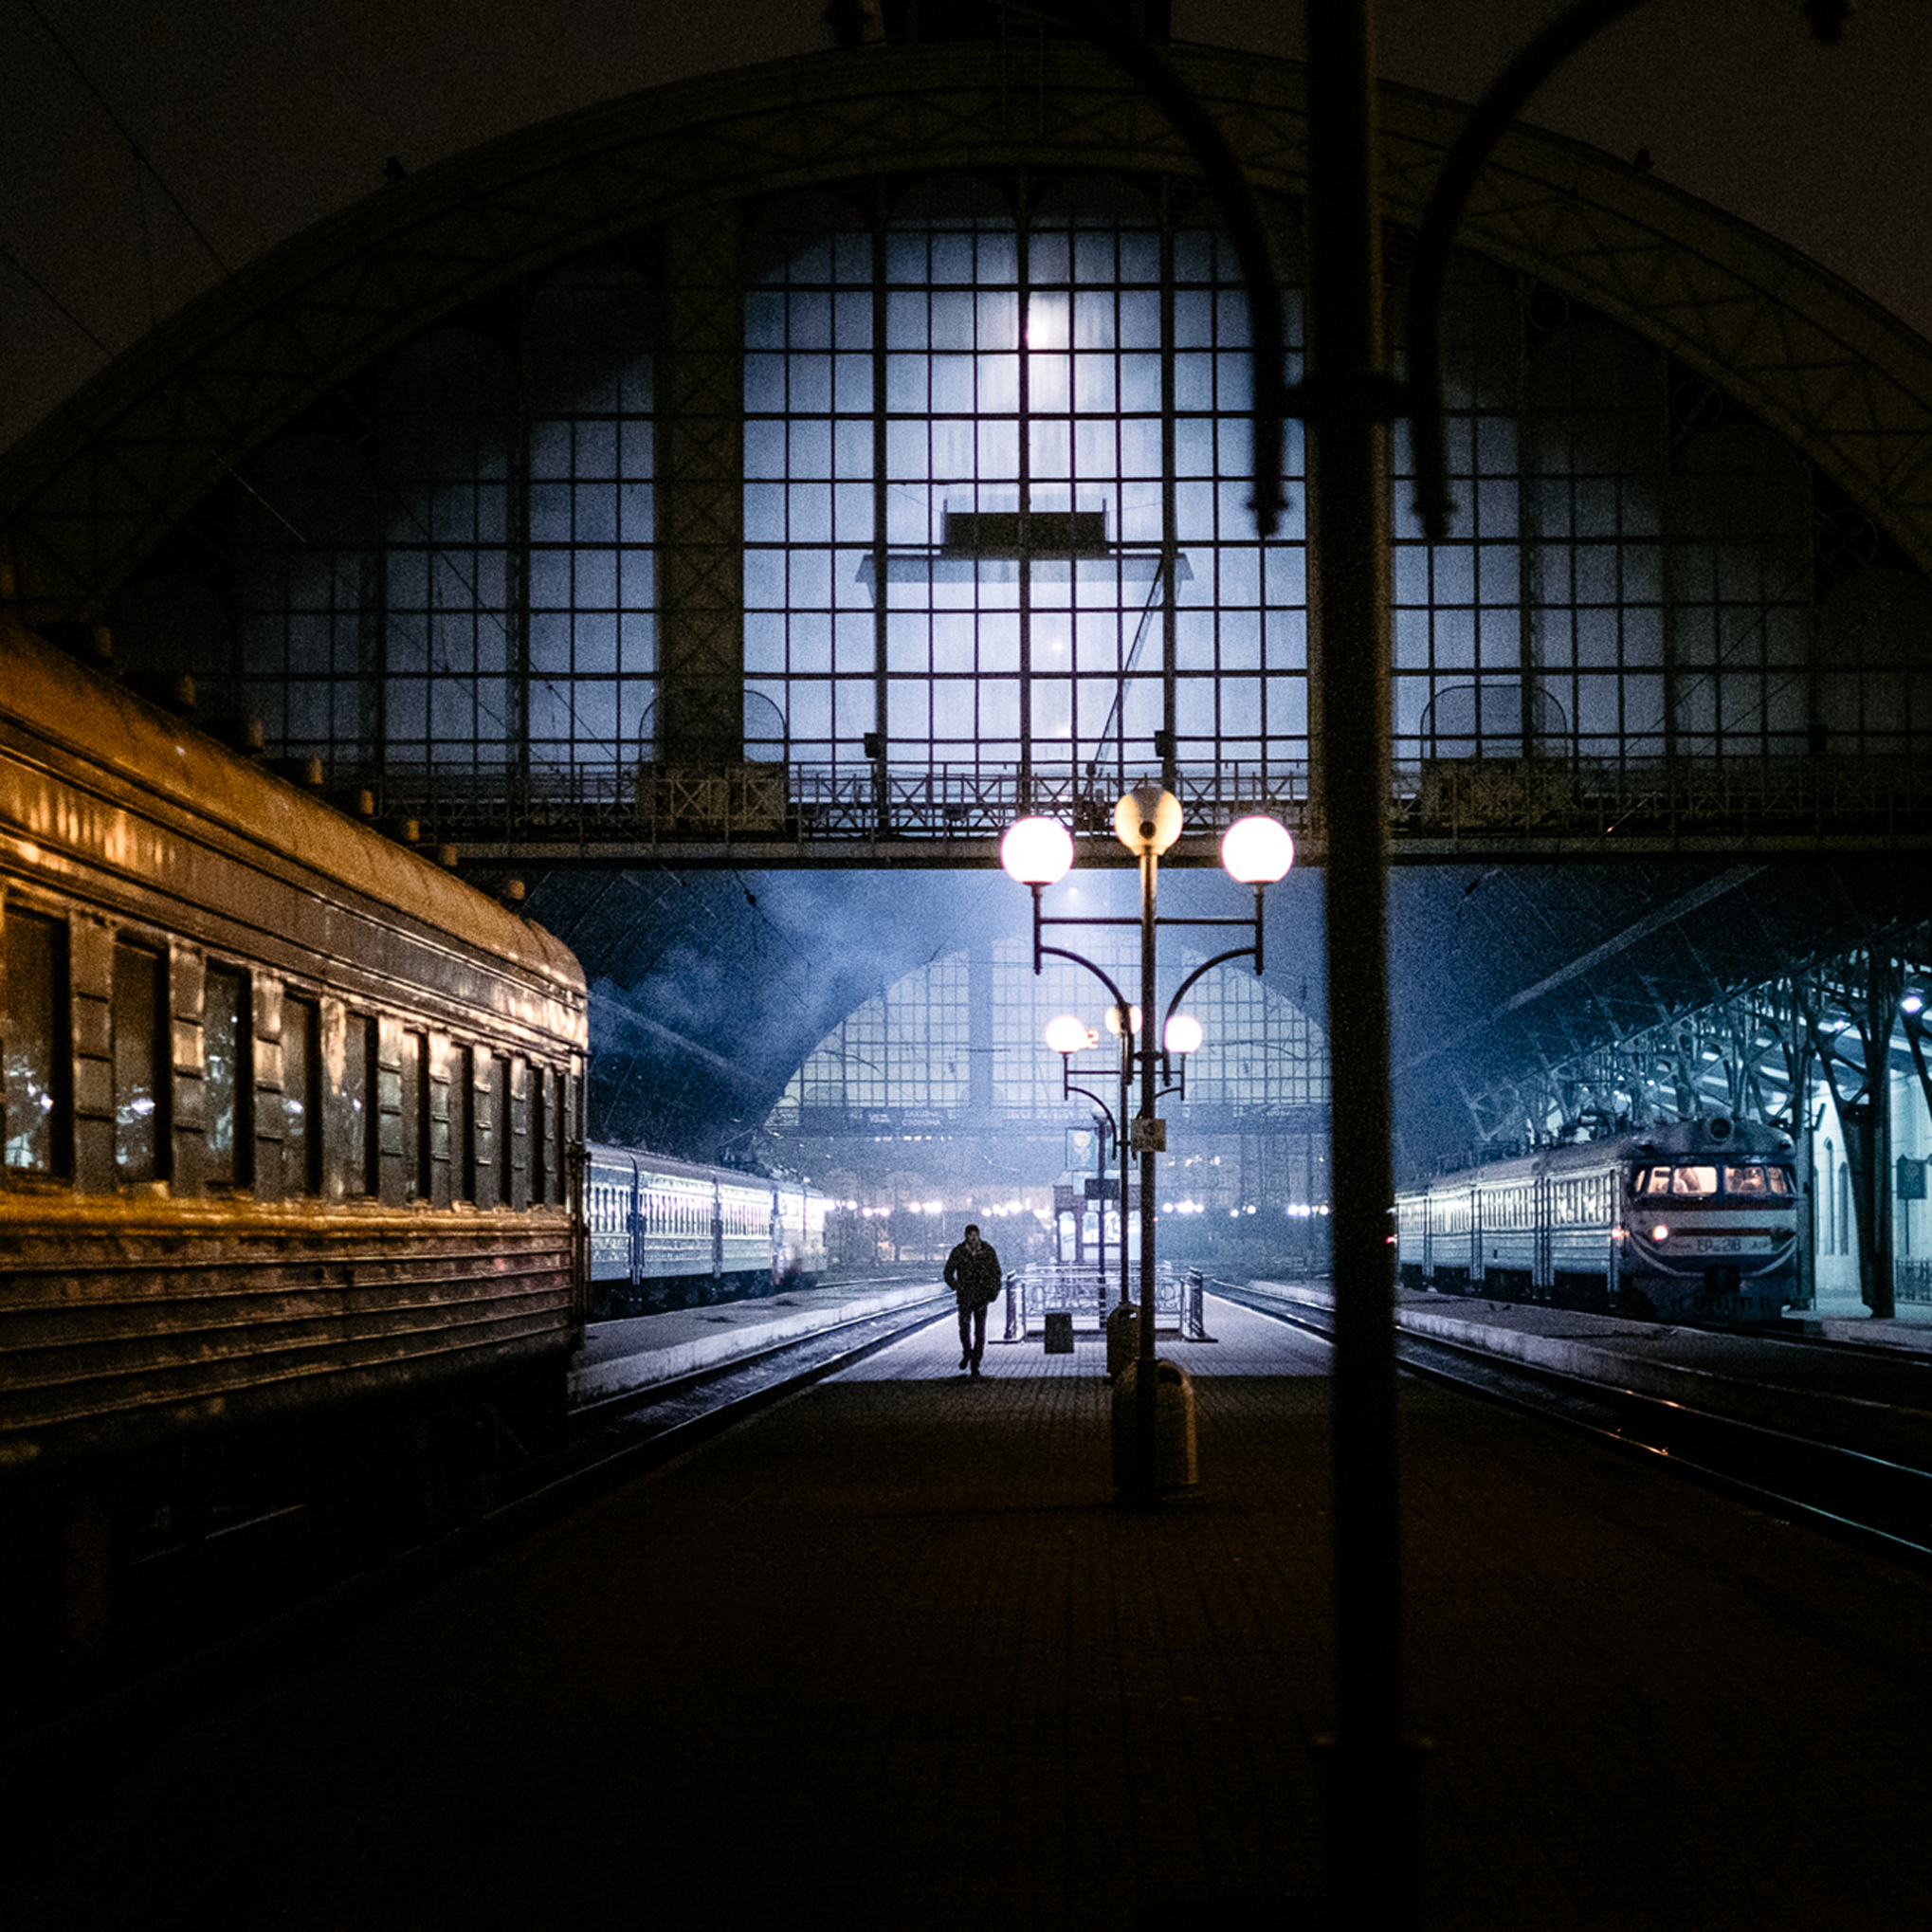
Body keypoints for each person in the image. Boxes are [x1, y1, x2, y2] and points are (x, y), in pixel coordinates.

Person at [943, 1222, 1001, 1377]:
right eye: (970, 1236)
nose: (973, 1239)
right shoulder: (959, 1251)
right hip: (966, 1296)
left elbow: (996, 1273)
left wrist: (993, 1292)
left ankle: (975, 1362)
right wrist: (957, 1286)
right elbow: (948, 1272)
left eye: (975, 1236)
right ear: (966, 1236)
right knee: (964, 1329)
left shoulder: (987, 1251)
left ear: (978, 1235)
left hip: (981, 1296)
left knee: (979, 1332)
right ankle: (967, 1353)